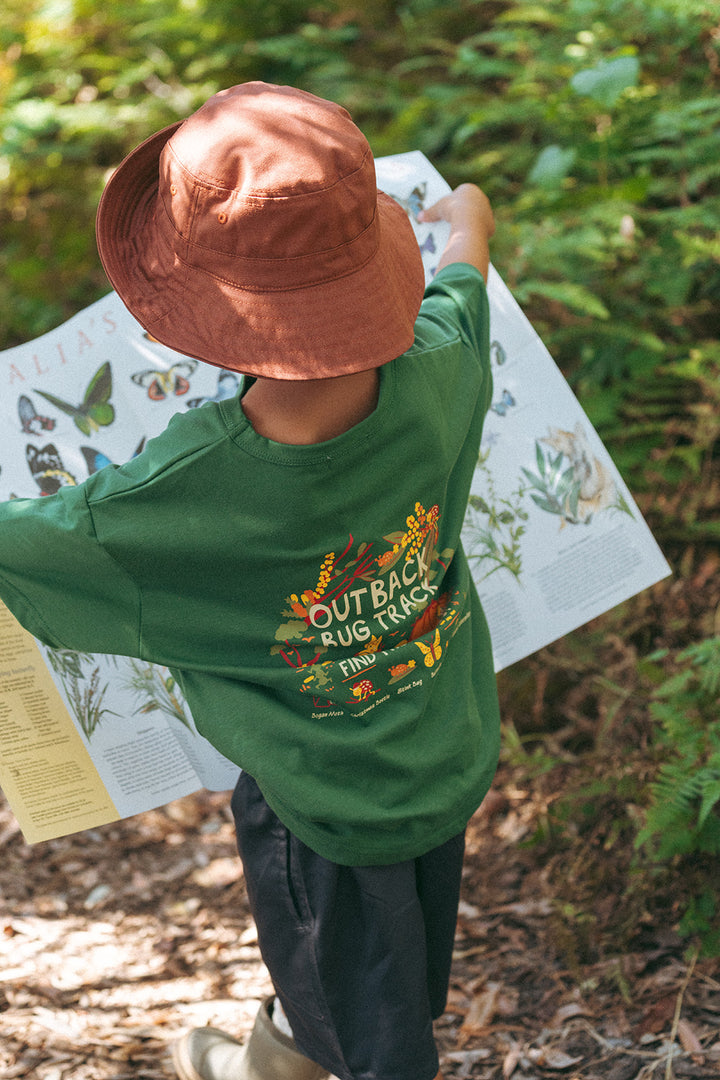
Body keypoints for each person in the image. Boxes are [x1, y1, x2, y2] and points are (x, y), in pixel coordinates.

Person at [0, 82, 500, 1080]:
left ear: (199, 317)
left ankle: (305, 1061)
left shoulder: (179, 494)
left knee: (380, 1037)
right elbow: (466, 279)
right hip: (442, 749)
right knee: (389, 970)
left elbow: (30, 544)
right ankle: (283, 1056)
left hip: (317, 807)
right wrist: (472, 217)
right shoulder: (442, 367)